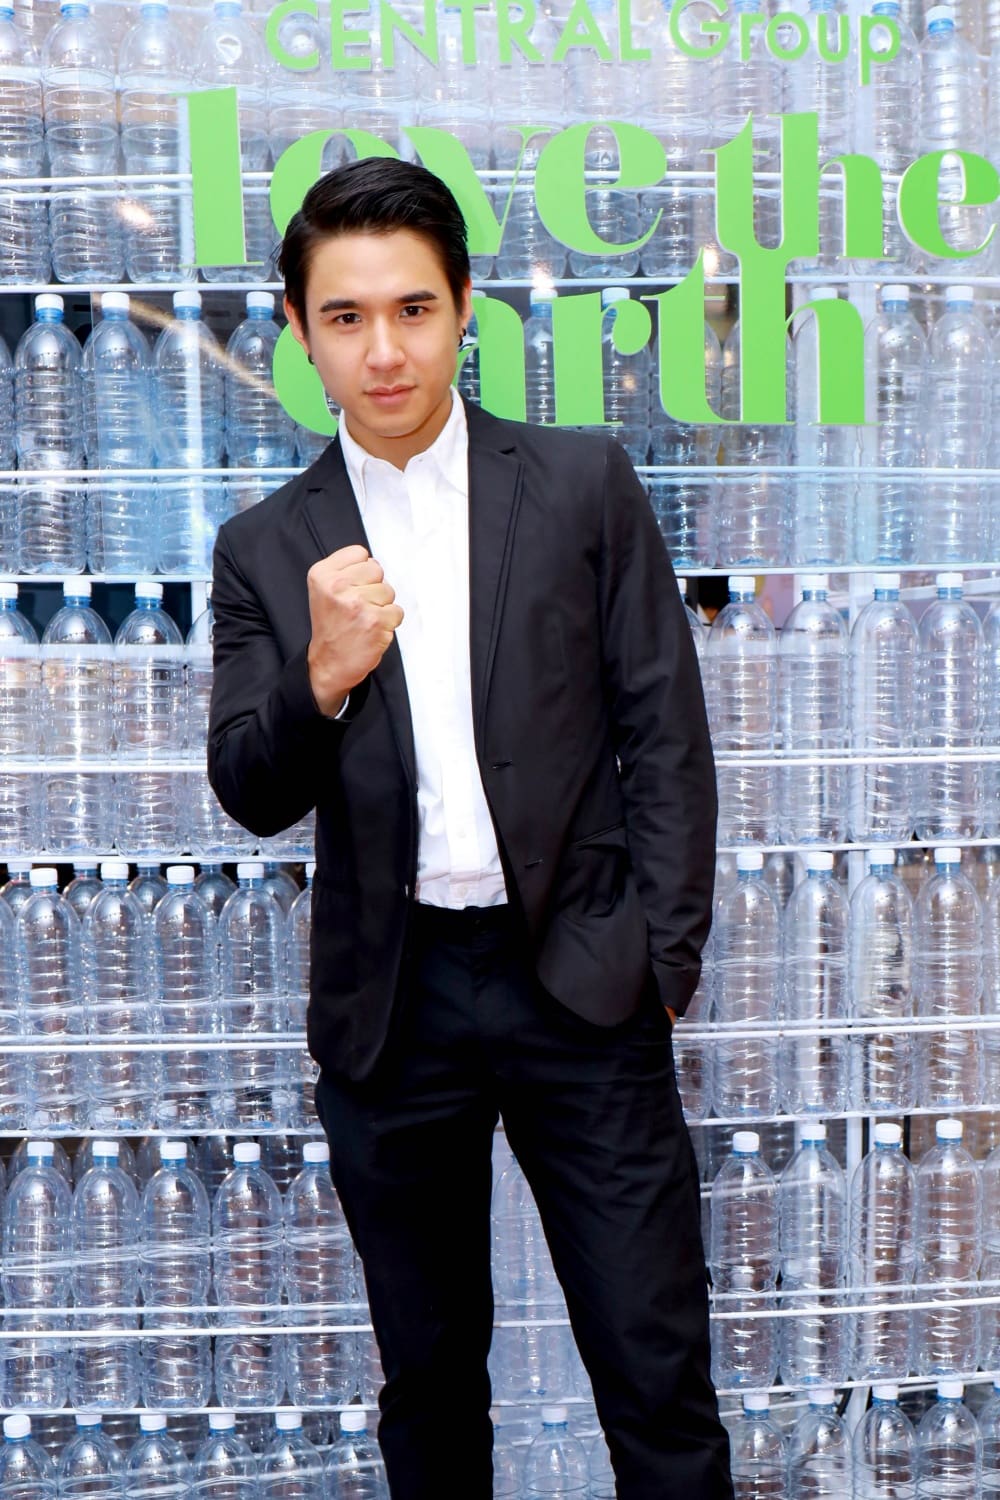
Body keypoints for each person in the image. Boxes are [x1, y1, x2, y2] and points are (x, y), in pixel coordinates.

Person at [208, 157, 733, 1500]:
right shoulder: (264, 545)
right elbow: (251, 788)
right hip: (395, 1009)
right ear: (300, 330)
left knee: (656, 1371)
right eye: (346, 317)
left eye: (414, 310)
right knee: (432, 1387)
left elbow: (664, 729)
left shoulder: (579, 482)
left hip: (583, 981)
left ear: (462, 311)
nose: (383, 351)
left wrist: (662, 962)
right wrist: (322, 674)